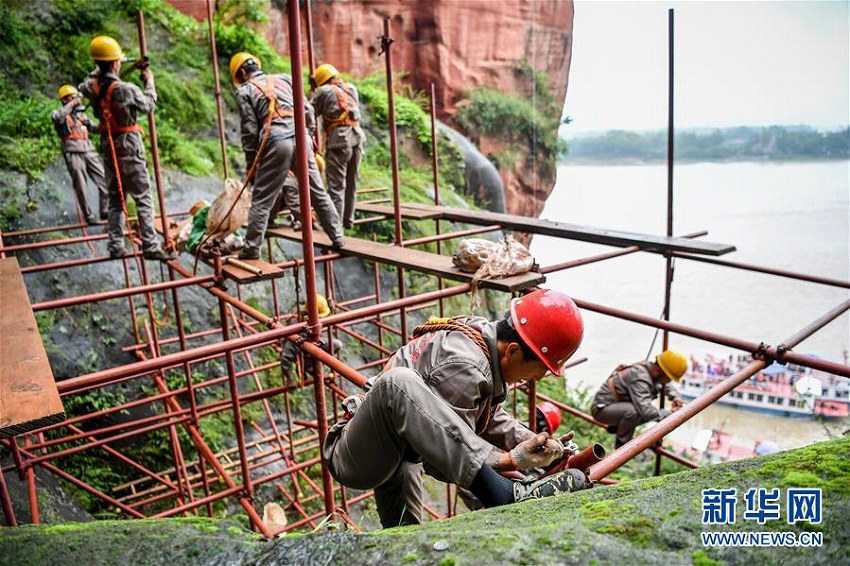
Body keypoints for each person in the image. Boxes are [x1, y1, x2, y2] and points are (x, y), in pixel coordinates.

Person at [322, 288, 590, 528]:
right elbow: (439, 460)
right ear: (512, 351)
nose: (540, 377)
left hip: (399, 446)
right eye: (542, 368)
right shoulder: (467, 367)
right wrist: (511, 460)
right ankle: (504, 493)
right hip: (358, 455)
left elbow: (487, 417)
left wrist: (533, 442)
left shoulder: (484, 340)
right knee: (398, 382)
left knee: (404, 533)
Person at [230, 52, 344, 260]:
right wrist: (309, 135)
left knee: (262, 199)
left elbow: (249, 129)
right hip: (301, 137)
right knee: (317, 192)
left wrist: (251, 163)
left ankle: (251, 249)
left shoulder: (245, 90)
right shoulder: (284, 79)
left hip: (276, 140)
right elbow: (308, 110)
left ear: (243, 73)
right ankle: (338, 237)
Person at [78, 36, 173, 261]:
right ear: (114, 63)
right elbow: (148, 105)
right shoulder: (126, 89)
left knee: (115, 197)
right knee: (142, 197)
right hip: (129, 146)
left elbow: (84, 83)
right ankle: (150, 245)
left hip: (108, 145)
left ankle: (115, 244)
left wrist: (100, 70)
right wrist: (149, 81)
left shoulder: (91, 87)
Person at [591, 350, 687, 448]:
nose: (669, 381)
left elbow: (665, 385)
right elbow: (645, 411)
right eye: (669, 378)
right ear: (659, 371)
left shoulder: (651, 369)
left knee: (642, 412)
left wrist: (675, 396)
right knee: (635, 411)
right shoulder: (640, 378)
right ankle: (622, 445)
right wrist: (670, 414)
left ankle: (618, 427)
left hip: (616, 406)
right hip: (601, 410)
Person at [310, 63, 366, 229]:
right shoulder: (351, 88)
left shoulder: (323, 91)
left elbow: (308, 112)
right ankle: (347, 220)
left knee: (336, 186)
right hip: (357, 136)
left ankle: (335, 226)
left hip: (340, 140)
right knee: (351, 182)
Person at [51, 84, 108, 225]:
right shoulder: (59, 113)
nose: (77, 100)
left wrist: (104, 123)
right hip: (73, 152)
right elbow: (58, 118)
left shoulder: (82, 115)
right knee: (81, 186)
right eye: (72, 97)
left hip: (89, 150)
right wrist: (72, 104)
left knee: (104, 180)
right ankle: (88, 216)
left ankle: (105, 211)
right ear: (65, 100)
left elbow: (95, 128)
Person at [280, 293, 343, 383]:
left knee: (336, 345)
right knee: (311, 353)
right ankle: (308, 367)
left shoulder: (310, 318)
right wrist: (290, 379)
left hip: (312, 342)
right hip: (301, 350)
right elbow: (286, 357)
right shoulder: (297, 328)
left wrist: (331, 311)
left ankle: (312, 367)